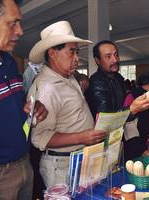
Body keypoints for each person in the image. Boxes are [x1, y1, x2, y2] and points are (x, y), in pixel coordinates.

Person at [27, 21, 108, 187]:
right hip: (61, 166)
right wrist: (81, 137)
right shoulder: (47, 89)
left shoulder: (68, 77)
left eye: (77, 52)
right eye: (71, 52)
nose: (77, 58)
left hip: (77, 158)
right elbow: (40, 137)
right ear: (52, 53)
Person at [0, 0, 48, 199]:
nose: (20, 31)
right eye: (13, 23)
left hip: (24, 163)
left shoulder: (10, 63)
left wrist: (33, 106)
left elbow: (15, 106)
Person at [86, 40, 149, 118]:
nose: (115, 60)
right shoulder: (96, 83)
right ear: (97, 60)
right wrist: (132, 110)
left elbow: (123, 103)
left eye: (116, 55)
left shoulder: (118, 78)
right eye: (108, 56)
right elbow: (105, 119)